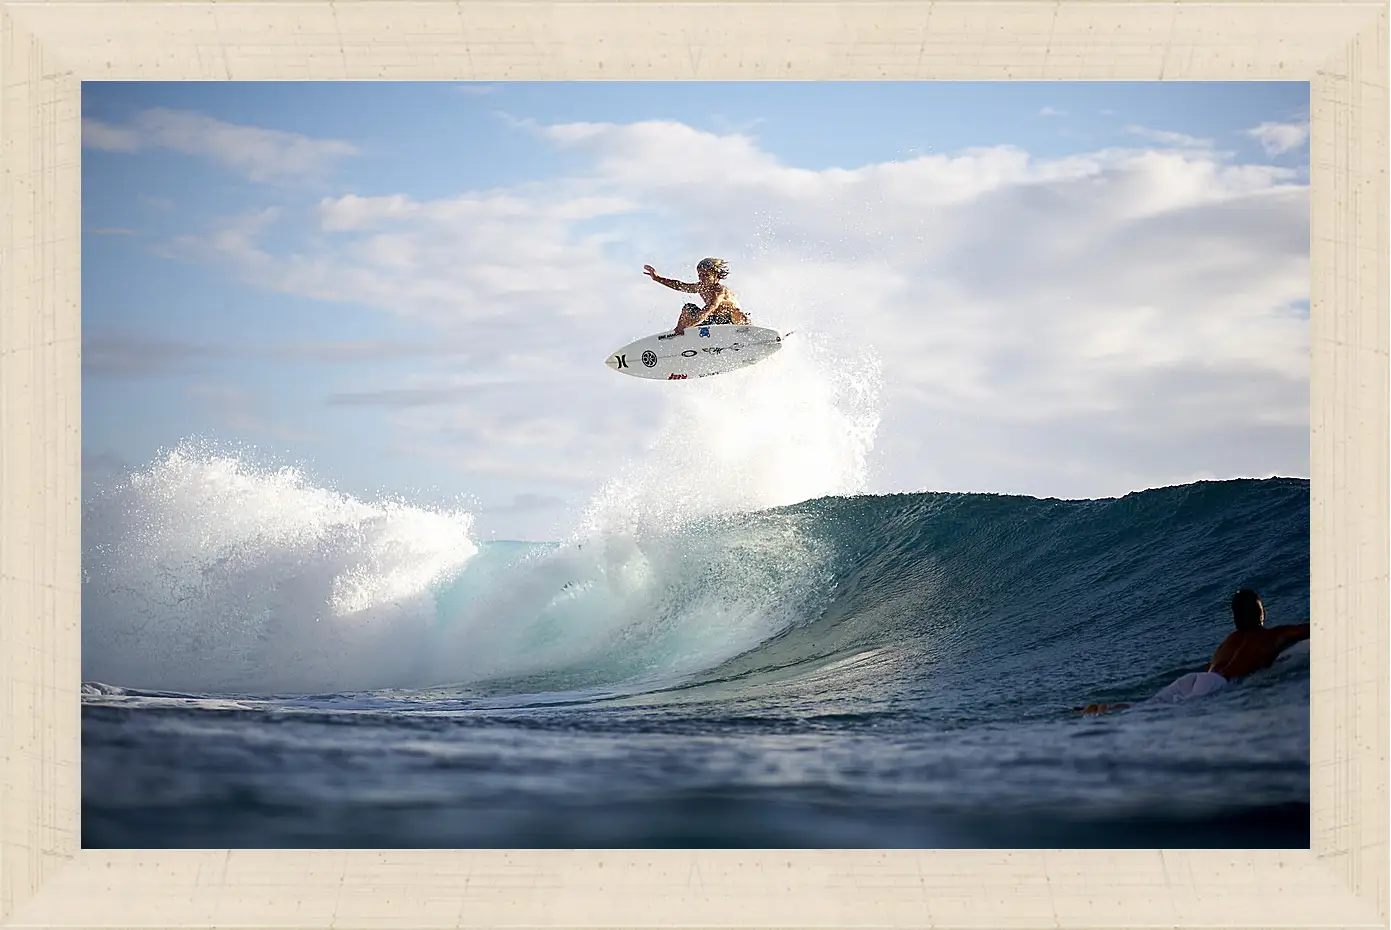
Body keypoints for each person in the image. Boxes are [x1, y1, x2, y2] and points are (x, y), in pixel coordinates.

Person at [1080, 588, 1309, 716]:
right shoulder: (1269, 635)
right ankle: (1107, 713)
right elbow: (1306, 629)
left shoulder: (1228, 641)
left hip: (1195, 678)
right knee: (1165, 712)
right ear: (1260, 613)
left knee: (1150, 705)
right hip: (1216, 684)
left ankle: (1105, 709)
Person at [643, 257, 750, 335]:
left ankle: (749, 331)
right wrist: (657, 278)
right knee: (688, 308)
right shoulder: (701, 287)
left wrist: (690, 325)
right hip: (714, 322)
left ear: (716, 276)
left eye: (706, 275)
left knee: (737, 314)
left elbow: (709, 309)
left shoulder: (719, 291)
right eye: (700, 275)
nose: (702, 278)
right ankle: (680, 333)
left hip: (731, 322)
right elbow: (679, 285)